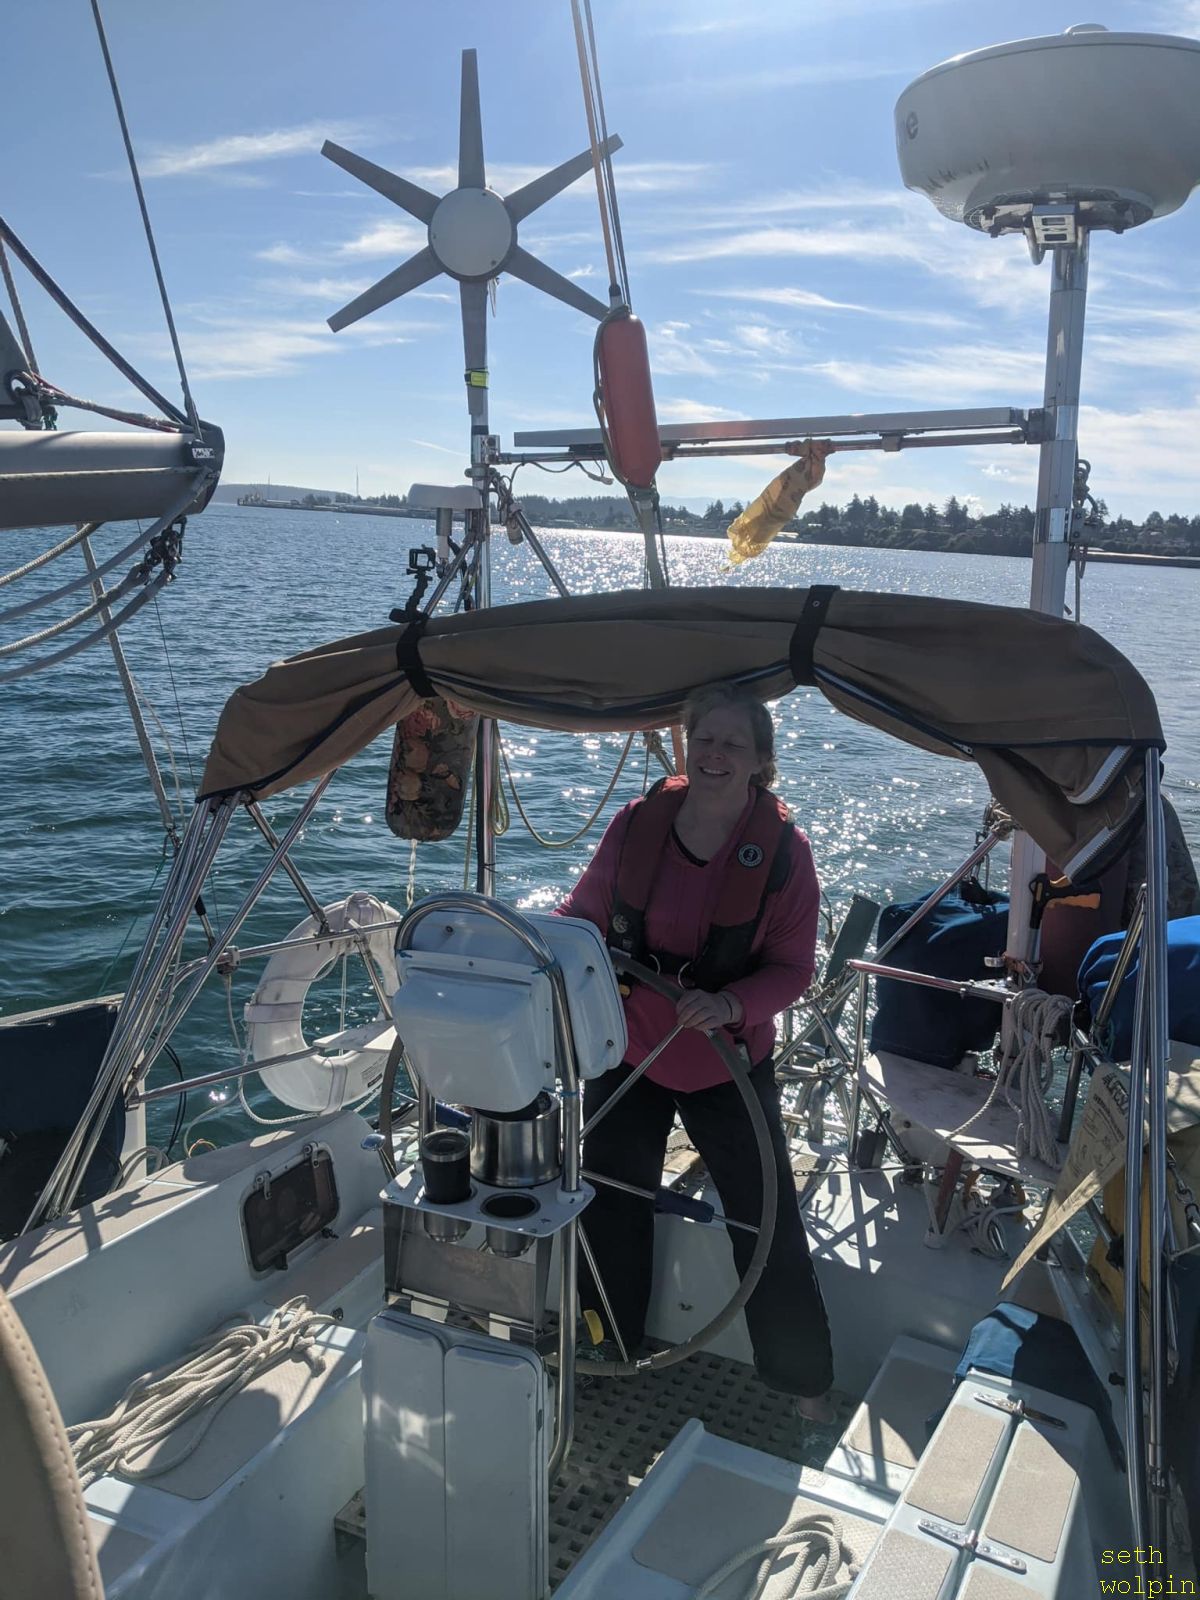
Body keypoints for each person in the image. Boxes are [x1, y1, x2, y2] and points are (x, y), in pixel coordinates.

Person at [556, 681, 835, 1417]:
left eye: (733, 744)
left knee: (765, 1222)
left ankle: (801, 1386)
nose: (714, 754)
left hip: (727, 1065)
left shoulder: (786, 854)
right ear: (685, 744)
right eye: (703, 738)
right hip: (630, 1055)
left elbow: (794, 970)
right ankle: (606, 1349)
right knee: (607, 1207)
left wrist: (730, 1004)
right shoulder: (636, 824)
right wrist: (536, 949)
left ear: (760, 760)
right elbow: (582, 914)